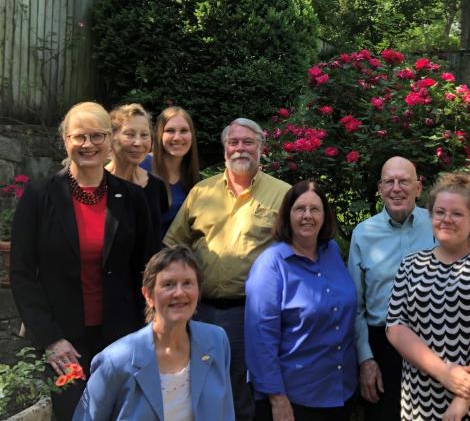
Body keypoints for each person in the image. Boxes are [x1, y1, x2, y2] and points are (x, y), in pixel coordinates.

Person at [10, 102, 155, 420]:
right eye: (79, 137)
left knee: (123, 413)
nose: (88, 145)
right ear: (66, 140)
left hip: (122, 336)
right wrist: (50, 339)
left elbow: (148, 269)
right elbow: (22, 272)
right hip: (65, 342)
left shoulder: (131, 198)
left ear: (110, 142)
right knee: (75, 413)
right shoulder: (39, 196)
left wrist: (148, 331)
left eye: (97, 136)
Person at [165, 118, 291, 421]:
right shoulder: (201, 193)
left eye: (248, 142)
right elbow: (173, 247)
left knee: (241, 392)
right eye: (233, 142)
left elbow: (298, 252)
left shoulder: (284, 194)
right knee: (196, 386)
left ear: (261, 148)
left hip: (251, 313)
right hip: (199, 311)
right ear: (224, 150)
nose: (240, 148)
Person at [386, 172, 470, 420]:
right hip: (421, 399)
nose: (446, 219)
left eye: (457, 213)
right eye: (440, 212)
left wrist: (462, 398)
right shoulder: (411, 264)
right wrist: (445, 373)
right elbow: (395, 327)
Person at [73, 245, 235, 420]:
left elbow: (225, 412)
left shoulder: (217, 341)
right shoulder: (115, 361)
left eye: (187, 283)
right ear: (148, 295)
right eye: (168, 284)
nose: (179, 293)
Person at [245, 180, 358, 421]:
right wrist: (277, 399)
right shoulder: (271, 266)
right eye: (300, 209)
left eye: (315, 209)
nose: (308, 216)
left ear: (325, 215)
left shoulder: (332, 252)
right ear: (287, 214)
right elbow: (260, 341)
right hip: (296, 399)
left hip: (341, 390)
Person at [348, 156, 435, 420]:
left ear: (418, 188)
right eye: (389, 182)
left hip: (434, 343)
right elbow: (356, 306)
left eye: (404, 181)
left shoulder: (439, 224)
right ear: (380, 188)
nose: (396, 188)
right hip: (382, 347)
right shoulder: (363, 234)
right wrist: (365, 359)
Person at [106, 103, 168, 246]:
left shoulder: (157, 186)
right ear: (111, 137)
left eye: (145, 135)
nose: (138, 142)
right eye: (130, 134)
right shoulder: (99, 184)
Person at [141, 106, 200, 238]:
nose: (177, 137)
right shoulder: (141, 168)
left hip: (179, 255)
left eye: (184, 131)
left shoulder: (194, 177)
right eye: (170, 131)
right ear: (159, 134)